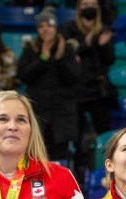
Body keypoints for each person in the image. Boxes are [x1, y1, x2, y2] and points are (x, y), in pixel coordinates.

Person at [17, 7, 81, 161]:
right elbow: (23, 76)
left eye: (49, 25)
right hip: (39, 111)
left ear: (55, 27)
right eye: (41, 26)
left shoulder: (67, 49)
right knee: (36, 155)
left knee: (60, 157)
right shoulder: (31, 49)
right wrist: (43, 59)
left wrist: (60, 60)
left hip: (62, 114)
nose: (45, 29)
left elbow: (74, 77)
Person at [62, 0, 116, 175]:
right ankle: (77, 174)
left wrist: (102, 45)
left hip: (97, 91)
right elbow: (68, 53)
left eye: (92, 4)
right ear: (78, 8)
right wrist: (92, 43)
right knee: (76, 139)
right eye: (84, 4)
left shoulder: (103, 29)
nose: (88, 8)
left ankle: (105, 172)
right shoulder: (69, 28)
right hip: (75, 91)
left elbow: (109, 60)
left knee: (105, 136)